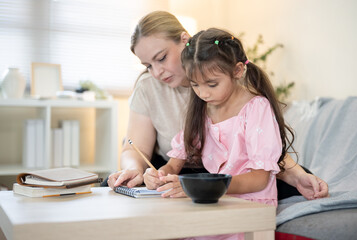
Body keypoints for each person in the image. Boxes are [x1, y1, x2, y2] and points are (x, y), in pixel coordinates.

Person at [107, 10, 329, 200]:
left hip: (230, 173)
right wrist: (136, 170)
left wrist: (298, 175)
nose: (156, 72)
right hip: (180, 170)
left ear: (185, 40)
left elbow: (262, 150)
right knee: (113, 189)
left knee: (288, 179)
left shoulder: (232, 84)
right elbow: (136, 149)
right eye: (147, 65)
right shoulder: (150, 88)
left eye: (162, 58)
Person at [144, 26, 289, 240]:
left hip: (250, 207)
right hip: (215, 200)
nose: (203, 93)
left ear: (238, 71)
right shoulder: (203, 110)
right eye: (195, 85)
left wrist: (205, 187)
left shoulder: (256, 108)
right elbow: (174, 164)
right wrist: (160, 175)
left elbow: (259, 179)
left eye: (212, 84)